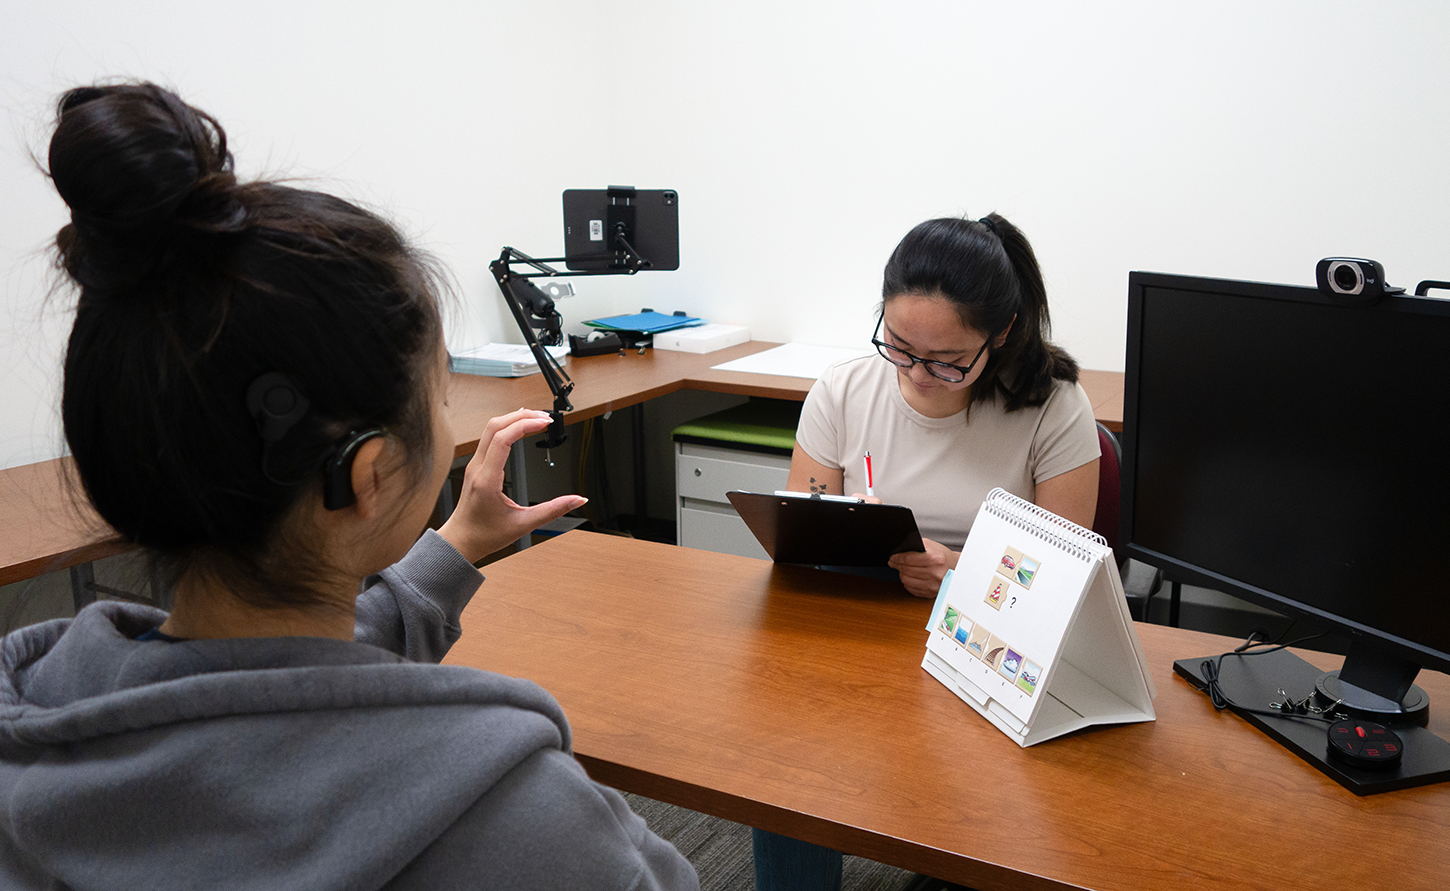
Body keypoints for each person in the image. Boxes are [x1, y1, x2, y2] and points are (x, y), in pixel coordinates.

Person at [0, 82, 697, 891]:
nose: (446, 421)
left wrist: (456, 545)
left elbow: (276, 685)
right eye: (439, 397)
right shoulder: (522, 822)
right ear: (366, 476)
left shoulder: (41, 738)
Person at [758, 213, 1100, 891]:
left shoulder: (1054, 407)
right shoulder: (845, 389)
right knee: (787, 758)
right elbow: (801, 534)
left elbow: (1068, 580)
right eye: (900, 346)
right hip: (863, 620)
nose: (916, 373)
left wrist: (963, 575)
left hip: (993, 637)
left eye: (946, 360)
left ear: (999, 335)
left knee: (972, 793)